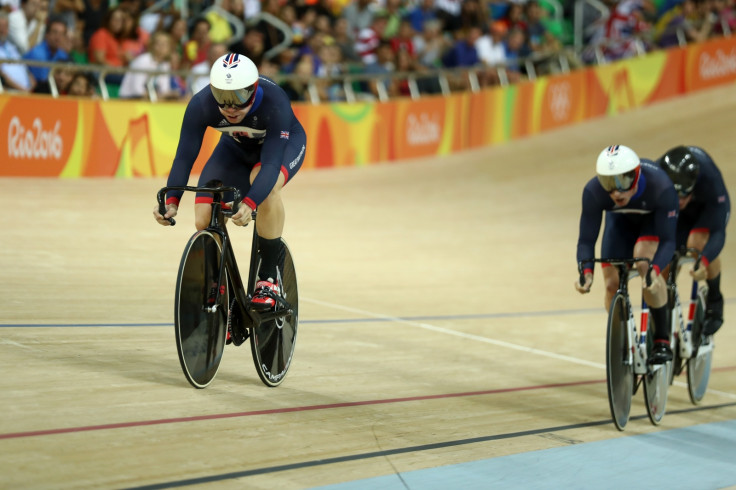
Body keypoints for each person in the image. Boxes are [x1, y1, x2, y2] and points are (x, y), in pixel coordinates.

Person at [153, 53, 307, 310]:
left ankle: (268, 279)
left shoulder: (274, 101)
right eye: (222, 98)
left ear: (253, 89)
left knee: (265, 189)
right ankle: (221, 287)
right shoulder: (201, 103)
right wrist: (171, 201)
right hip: (234, 149)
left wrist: (249, 202)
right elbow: (183, 158)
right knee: (203, 219)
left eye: (238, 97)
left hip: (282, 147)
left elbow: (270, 164)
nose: (230, 107)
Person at [575, 145, 679, 364]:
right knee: (612, 284)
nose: (616, 192)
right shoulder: (594, 192)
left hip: (651, 223)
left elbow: (669, 241)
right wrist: (586, 272)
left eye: (622, 182)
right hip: (620, 224)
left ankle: (662, 340)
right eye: (608, 183)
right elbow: (586, 240)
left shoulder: (661, 186)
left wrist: (655, 271)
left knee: (644, 263)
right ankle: (622, 338)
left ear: (637, 175)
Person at [657, 146, 730, 336]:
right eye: (676, 195)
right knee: (665, 259)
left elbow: (718, 232)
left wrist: (703, 261)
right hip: (676, 215)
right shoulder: (658, 173)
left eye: (685, 194)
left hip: (706, 211)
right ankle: (662, 314)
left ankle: (715, 300)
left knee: (697, 244)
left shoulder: (709, 178)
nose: (680, 200)